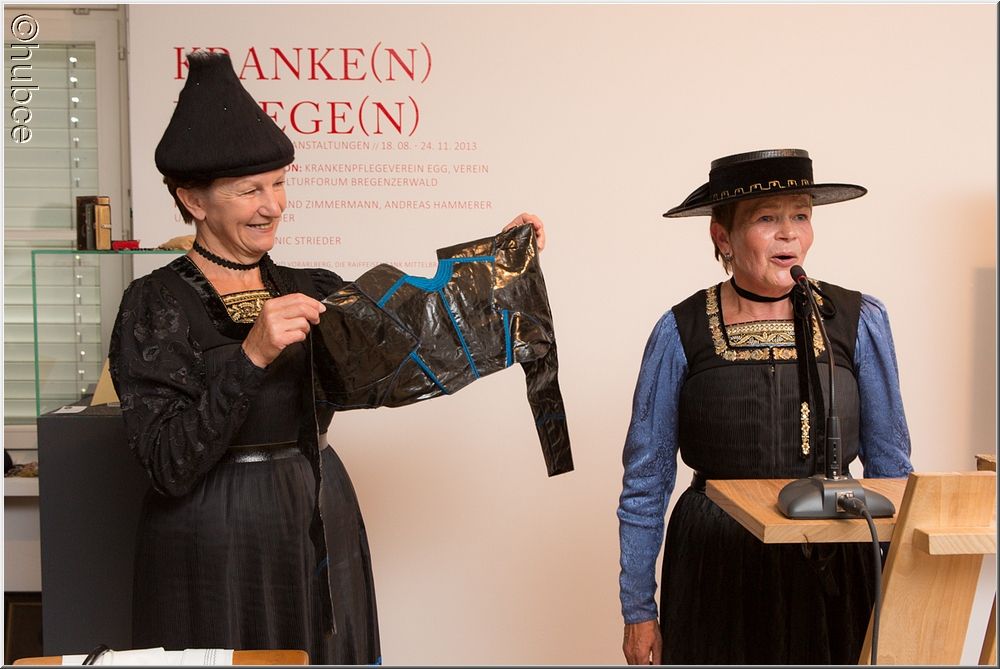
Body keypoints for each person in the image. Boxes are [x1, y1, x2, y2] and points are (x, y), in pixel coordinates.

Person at [109, 51, 546, 665]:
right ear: (194, 201)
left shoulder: (311, 288)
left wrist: (497, 270)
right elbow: (167, 463)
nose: (273, 205)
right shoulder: (154, 303)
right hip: (210, 545)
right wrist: (252, 355)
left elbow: (417, 348)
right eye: (250, 190)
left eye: (279, 183)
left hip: (313, 516)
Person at [617, 149, 913, 665]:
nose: (789, 234)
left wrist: (905, 591)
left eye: (800, 215)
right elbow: (646, 480)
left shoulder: (858, 319)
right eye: (766, 218)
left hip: (834, 565)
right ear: (722, 236)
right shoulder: (679, 331)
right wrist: (637, 608)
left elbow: (891, 469)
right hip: (716, 564)